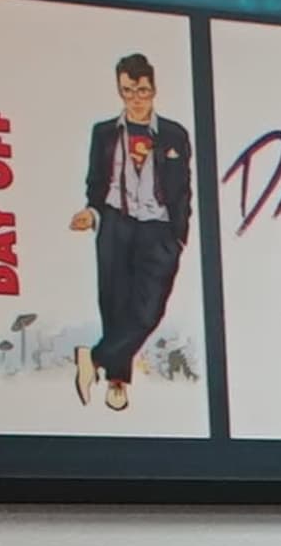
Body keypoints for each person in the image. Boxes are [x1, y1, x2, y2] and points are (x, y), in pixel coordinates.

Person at [70, 53, 194, 412]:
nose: (136, 98)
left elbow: (182, 188)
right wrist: (91, 214)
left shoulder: (173, 134)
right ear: (119, 91)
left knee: (148, 309)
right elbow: (96, 183)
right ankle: (117, 380)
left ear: (153, 88)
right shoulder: (104, 133)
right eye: (128, 91)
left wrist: (179, 234)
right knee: (115, 303)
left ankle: (92, 358)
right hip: (116, 224)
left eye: (142, 90)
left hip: (159, 230)